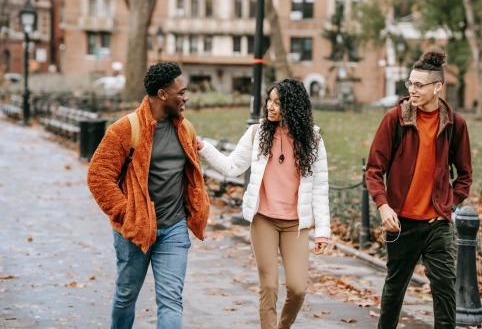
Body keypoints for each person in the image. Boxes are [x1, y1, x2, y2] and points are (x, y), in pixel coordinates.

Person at [196, 79, 330, 329]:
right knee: (268, 286)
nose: (270, 106)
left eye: (278, 102)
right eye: (269, 100)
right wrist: (203, 147)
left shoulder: (313, 140)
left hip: (295, 225)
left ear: (293, 106)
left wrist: (323, 231)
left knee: (298, 288)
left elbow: (321, 188)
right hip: (263, 220)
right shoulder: (258, 133)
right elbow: (232, 166)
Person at [87, 62, 210, 329]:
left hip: (174, 228)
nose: (185, 97)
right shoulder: (126, 129)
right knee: (125, 297)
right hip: (135, 229)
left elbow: (190, 175)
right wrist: (126, 213)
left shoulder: (185, 129)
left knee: (171, 301)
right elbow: (98, 176)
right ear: (163, 94)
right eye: (181, 92)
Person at [366, 50, 472, 329]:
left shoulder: (454, 124)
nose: (412, 90)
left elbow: (465, 176)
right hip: (401, 224)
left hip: (437, 223)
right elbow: (373, 170)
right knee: (394, 290)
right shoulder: (395, 119)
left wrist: (447, 206)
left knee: (444, 291)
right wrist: (383, 205)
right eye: (410, 84)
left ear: (437, 87)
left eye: (419, 85)